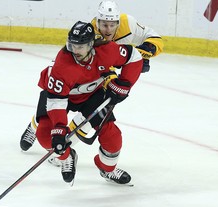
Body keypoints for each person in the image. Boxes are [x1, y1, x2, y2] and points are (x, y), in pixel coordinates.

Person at [20, 0, 163, 165]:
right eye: (103, 24)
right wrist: (112, 82)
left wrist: (143, 55)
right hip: (81, 78)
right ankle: (35, 125)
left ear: (118, 22)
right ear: (97, 21)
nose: (107, 29)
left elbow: (154, 39)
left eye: (111, 24)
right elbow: (91, 67)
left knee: (91, 118)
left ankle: (66, 148)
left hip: (107, 67)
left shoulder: (128, 23)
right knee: (54, 103)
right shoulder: (91, 35)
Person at [31, 21, 143, 184]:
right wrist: (60, 130)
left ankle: (107, 169)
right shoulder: (63, 64)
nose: (75, 50)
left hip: (92, 95)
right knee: (45, 136)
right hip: (61, 96)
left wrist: (124, 85)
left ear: (91, 45)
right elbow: (56, 100)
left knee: (112, 137)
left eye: (80, 46)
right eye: (72, 45)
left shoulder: (107, 50)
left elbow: (134, 57)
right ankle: (67, 156)